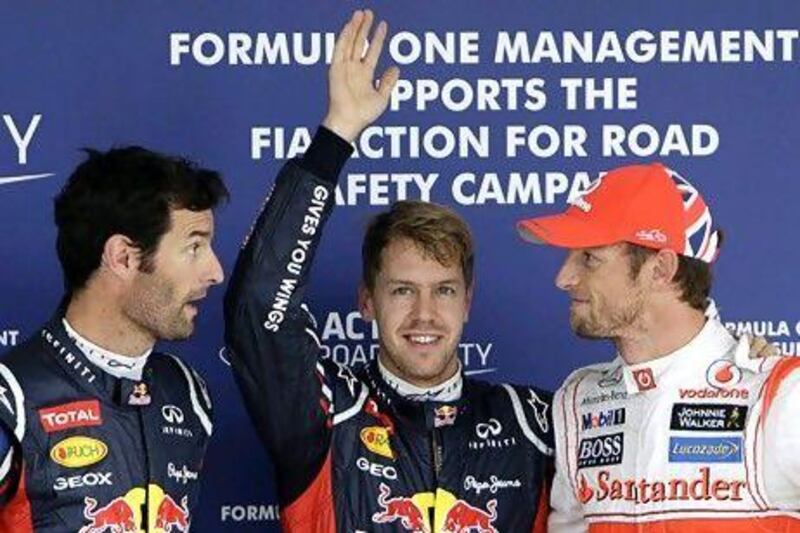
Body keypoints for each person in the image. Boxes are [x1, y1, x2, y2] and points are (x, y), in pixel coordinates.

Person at [224, 10, 553, 532]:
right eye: (402, 290)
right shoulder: (327, 417)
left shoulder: (534, 420)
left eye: (444, 290)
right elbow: (260, 307)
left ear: (467, 303)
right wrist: (338, 135)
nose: (425, 314)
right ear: (367, 300)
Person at [517, 163, 800, 531]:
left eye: (589, 258)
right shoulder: (577, 400)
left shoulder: (779, 396)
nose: (563, 278)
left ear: (660, 269)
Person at [0, 146, 226, 531]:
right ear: (123, 257)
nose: (215, 272)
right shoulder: (11, 398)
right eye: (194, 247)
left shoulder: (185, 391)